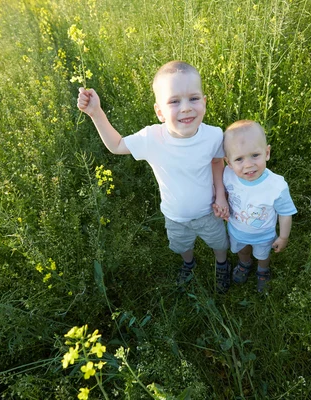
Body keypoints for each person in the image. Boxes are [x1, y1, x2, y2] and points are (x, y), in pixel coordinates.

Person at [77, 61, 232, 293]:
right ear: (159, 112)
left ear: (204, 102)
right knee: (181, 245)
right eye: (174, 101)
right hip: (175, 215)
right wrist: (96, 113)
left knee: (220, 243)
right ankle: (189, 263)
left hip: (209, 211)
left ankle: (222, 264)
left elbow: (217, 161)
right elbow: (117, 145)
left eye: (193, 98)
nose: (186, 108)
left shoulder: (213, 135)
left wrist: (221, 196)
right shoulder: (152, 138)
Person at [219, 120, 297, 293]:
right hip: (237, 229)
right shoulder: (228, 175)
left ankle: (263, 270)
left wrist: (283, 237)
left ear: (267, 152)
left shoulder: (276, 185)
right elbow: (223, 193)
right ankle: (244, 264)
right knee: (243, 251)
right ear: (229, 163)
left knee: (263, 255)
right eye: (239, 159)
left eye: (255, 155)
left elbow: (285, 213)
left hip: (264, 234)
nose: (248, 164)